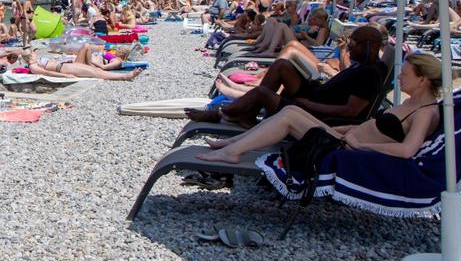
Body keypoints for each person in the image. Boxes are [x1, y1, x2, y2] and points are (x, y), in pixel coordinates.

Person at [197, 52, 443, 163]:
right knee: (290, 111)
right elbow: (375, 127)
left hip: (349, 150)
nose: (399, 77)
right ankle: (233, 144)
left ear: (422, 79)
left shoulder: (424, 112)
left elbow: (407, 150)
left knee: (289, 116)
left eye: (406, 73)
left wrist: (361, 145)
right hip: (342, 137)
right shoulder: (411, 103)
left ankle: (232, 149)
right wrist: (342, 131)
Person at [187, 25, 387, 128]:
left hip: (314, 113)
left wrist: (309, 105)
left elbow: (350, 112)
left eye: (354, 44)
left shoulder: (370, 74)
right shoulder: (362, 65)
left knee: (263, 93)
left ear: (371, 46)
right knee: (283, 65)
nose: (349, 47)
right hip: (315, 94)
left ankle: (221, 113)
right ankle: (246, 114)